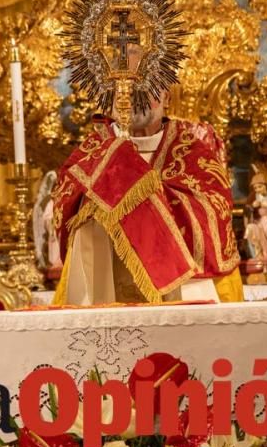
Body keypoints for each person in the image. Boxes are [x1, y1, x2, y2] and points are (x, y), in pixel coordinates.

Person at [52, 86, 243, 305]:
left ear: (166, 97)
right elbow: (64, 211)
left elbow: (214, 212)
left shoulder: (192, 152)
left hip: (181, 297)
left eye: (145, 86)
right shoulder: (89, 155)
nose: (130, 94)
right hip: (104, 293)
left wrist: (139, 193)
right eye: (121, 87)